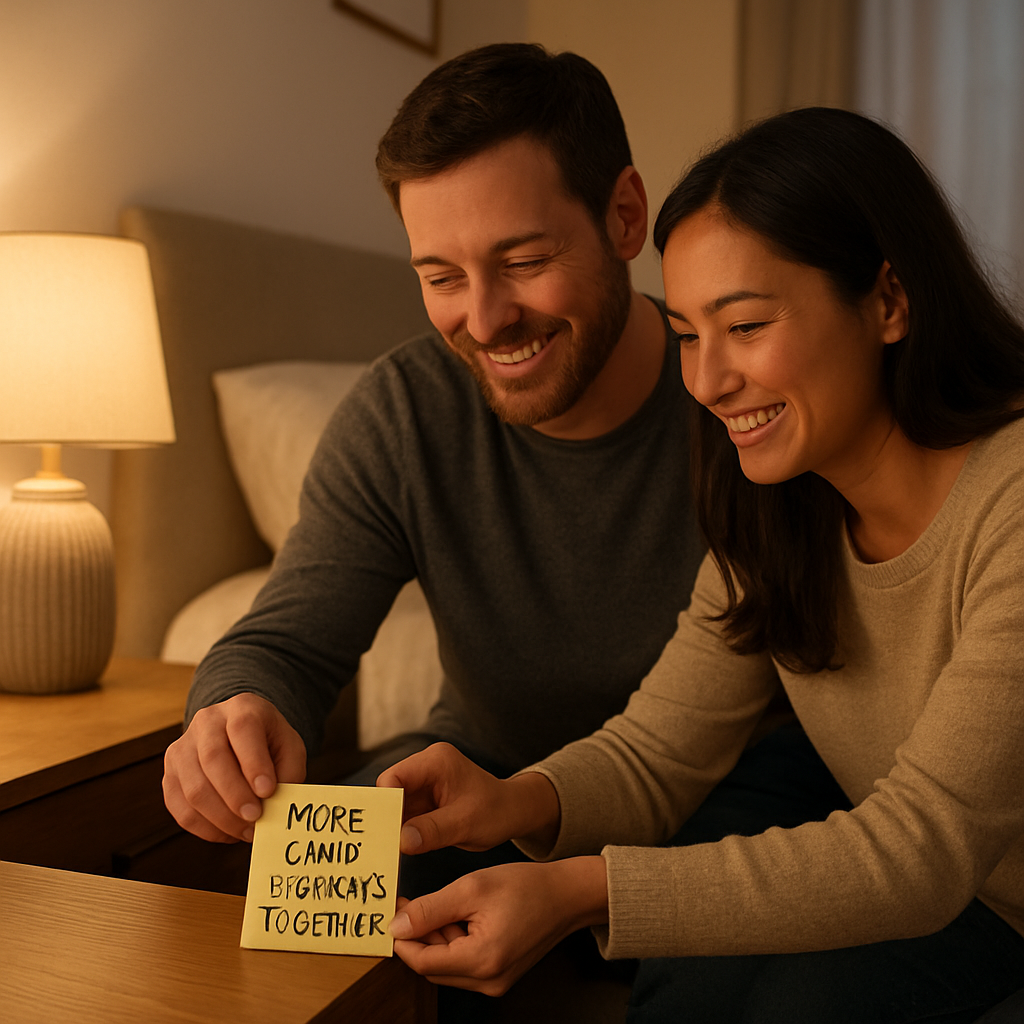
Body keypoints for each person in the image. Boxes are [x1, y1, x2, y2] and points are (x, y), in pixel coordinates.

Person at [377, 106, 1024, 1023]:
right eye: (686, 334)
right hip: (953, 894)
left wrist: (580, 892)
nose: (708, 381)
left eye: (746, 326)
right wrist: (513, 802)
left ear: (888, 300)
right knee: (687, 990)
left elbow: (917, 851)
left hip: (970, 892)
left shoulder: (1012, 505)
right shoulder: (780, 503)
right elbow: (658, 751)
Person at [163, 44, 722, 883]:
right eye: (441, 276)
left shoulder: (738, 396)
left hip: (724, 798)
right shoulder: (403, 412)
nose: (486, 320)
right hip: (477, 784)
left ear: (625, 215)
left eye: (524, 262)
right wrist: (235, 710)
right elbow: (289, 642)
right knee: (293, 908)